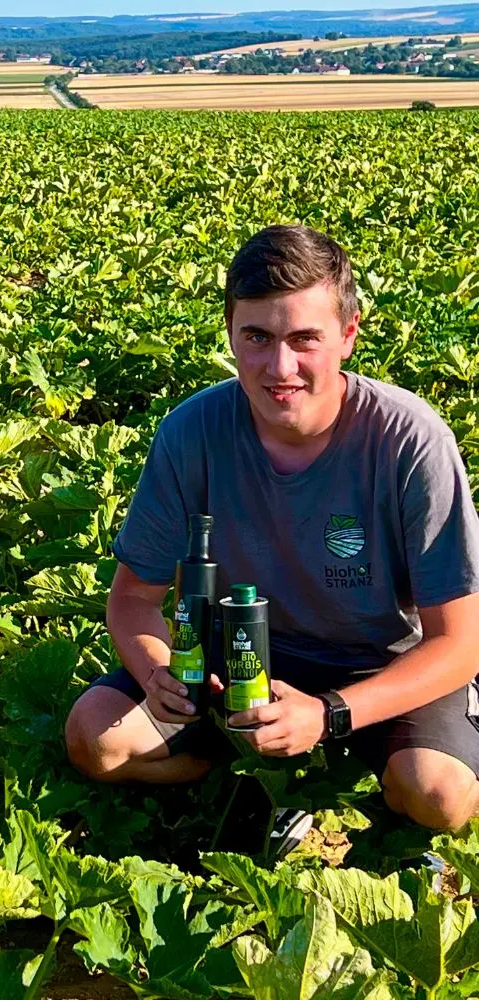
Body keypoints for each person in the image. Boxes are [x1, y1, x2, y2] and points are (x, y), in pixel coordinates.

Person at [65, 224, 479, 836]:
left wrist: (328, 714)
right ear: (231, 333)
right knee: (95, 739)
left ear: (348, 334)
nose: (278, 367)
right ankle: (250, 784)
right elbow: (133, 598)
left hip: (377, 671)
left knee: (438, 796)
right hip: (233, 661)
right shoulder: (193, 432)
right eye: (256, 337)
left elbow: (460, 644)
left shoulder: (410, 441)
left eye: (304, 339)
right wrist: (161, 674)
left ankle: (342, 788)